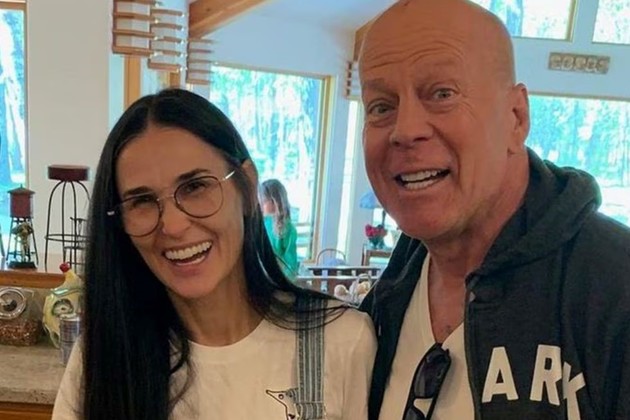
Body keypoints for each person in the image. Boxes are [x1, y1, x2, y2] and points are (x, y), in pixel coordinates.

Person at [358, 0, 630, 419]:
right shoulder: (384, 304)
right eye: (381, 106)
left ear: (516, 117)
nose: (405, 130)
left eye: (442, 94)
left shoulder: (613, 290)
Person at [52, 88, 376, 420]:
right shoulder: (101, 359)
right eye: (142, 201)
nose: (173, 225)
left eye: (195, 187)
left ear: (247, 188)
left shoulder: (343, 341)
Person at [260, 178, 299, 278]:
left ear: (275, 201)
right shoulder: (260, 223)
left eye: (264, 201)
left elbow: (291, 265)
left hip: (278, 279)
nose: (260, 205)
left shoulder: (288, 229)